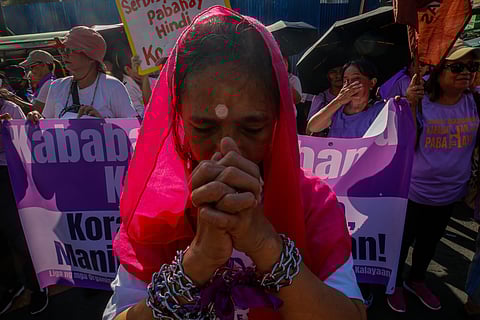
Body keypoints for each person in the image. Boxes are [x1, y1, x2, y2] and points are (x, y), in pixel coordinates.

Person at [103, 6, 366, 320]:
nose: (227, 149)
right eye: (203, 127)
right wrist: (196, 263)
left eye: (252, 128)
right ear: (179, 120)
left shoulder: (313, 201)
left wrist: (266, 246)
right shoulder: (156, 206)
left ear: (278, 119)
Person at [387, 39, 480, 313]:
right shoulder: (420, 102)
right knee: (401, 243)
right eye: (458, 66)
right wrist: (410, 106)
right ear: (439, 72)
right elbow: (404, 142)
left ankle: (416, 280)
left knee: (429, 243)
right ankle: (393, 285)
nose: (467, 72)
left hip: (450, 193)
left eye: (472, 66)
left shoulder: (475, 102)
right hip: (414, 192)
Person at [0, 101, 49, 315]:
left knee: (19, 237)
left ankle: (37, 285)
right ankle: (11, 286)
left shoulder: (9, 108)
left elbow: (22, 145)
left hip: (7, 175)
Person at [26, 26, 137, 121]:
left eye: (69, 50)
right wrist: (36, 118)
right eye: (62, 50)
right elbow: (47, 129)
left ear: (90, 57)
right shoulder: (57, 87)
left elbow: (133, 130)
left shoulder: (113, 87)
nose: (64, 55)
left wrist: (102, 123)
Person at [306, 59, 386, 138]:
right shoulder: (337, 109)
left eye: (356, 78)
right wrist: (338, 101)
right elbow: (312, 127)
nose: (350, 84)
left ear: (372, 83)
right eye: (345, 81)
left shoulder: (381, 110)